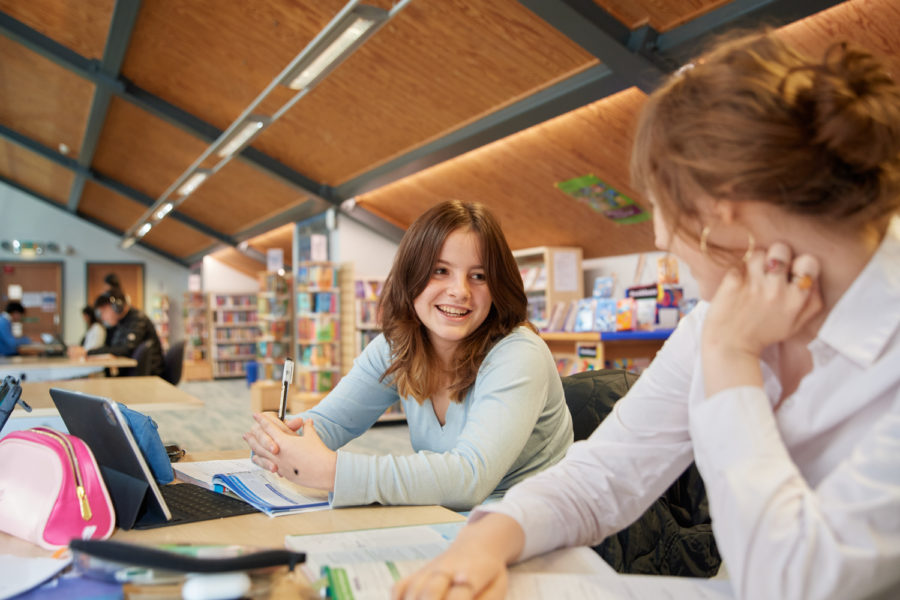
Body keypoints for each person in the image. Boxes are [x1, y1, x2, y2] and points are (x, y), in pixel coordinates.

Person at [395, 32, 900, 600]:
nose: (660, 236)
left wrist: (731, 364)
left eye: (662, 207)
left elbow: (797, 584)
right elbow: (606, 473)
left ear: (723, 208)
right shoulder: (721, 316)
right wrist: (483, 544)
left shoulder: (730, 333)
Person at [244, 200, 573, 510]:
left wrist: (334, 472)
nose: (460, 290)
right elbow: (328, 423)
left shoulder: (518, 354)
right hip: (447, 518)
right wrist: (278, 442)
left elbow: (471, 477)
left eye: (479, 275)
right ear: (410, 275)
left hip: (531, 526)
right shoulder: (398, 346)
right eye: (440, 271)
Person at [68, 289, 164, 377]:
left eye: (104, 311)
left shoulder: (137, 319)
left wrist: (88, 352)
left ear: (117, 307)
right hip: (134, 372)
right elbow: (111, 346)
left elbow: (126, 349)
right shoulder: (120, 322)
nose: (102, 317)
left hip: (150, 373)